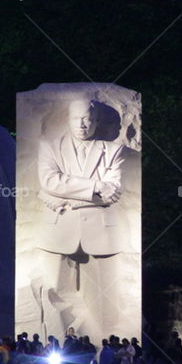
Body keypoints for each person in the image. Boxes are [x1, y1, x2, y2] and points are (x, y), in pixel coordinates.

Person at [35, 99, 130, 343]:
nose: (82, 124)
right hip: (58, 230)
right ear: (67, 119)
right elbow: (49, 181)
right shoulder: (49, 146)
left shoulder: (114, 150)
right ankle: (58, 342)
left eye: (88, 118)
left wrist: (63, 197)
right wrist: (96, 187)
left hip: (101, 233)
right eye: (77, 118)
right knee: (54, 290)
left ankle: (102, 343)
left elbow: (114, 190)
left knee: (105, 298)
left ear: (96, 121)